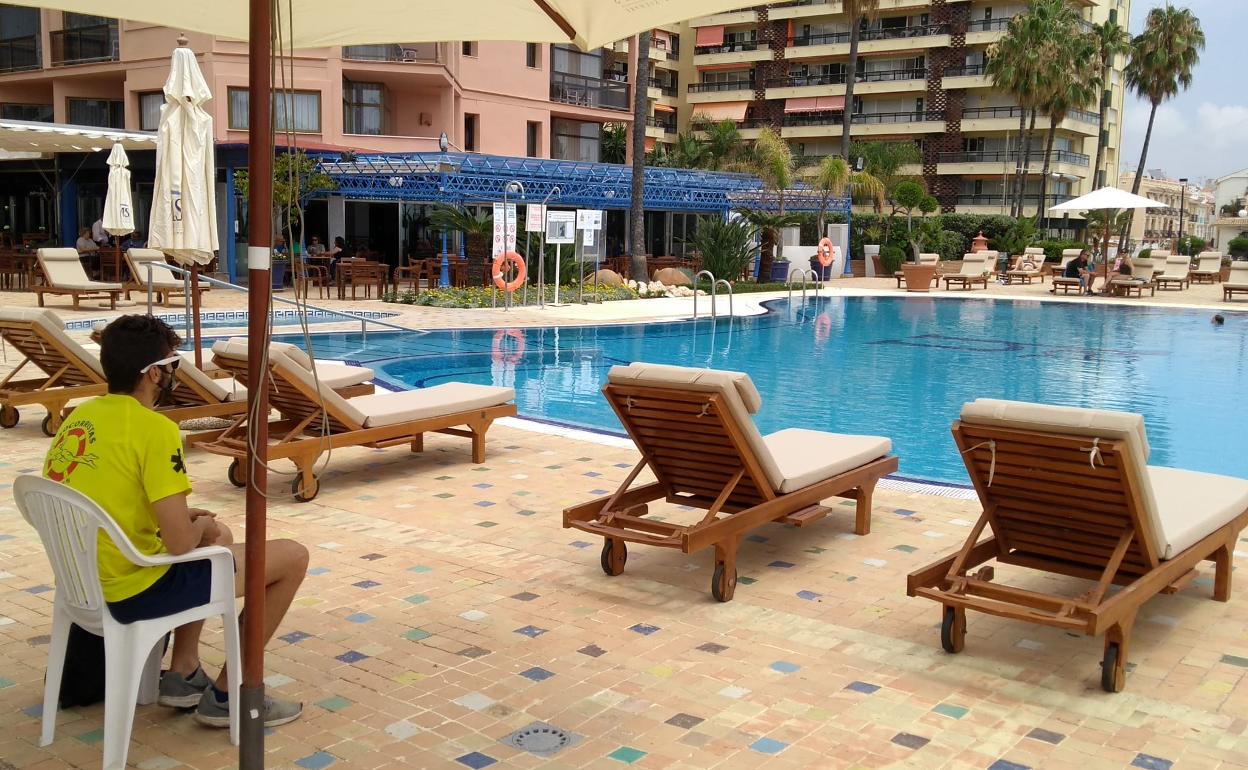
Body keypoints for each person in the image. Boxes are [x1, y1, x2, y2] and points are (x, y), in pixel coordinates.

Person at [43, 315, 307, 728]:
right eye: (172, 365)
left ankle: (183, 671)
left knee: (219, 535)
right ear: (154, 373)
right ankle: (229, 695)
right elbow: (180, 545)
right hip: (133, 589)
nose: (173, 374)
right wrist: (197, 526)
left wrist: (194, 525)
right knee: (292, 556)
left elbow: (107, 492)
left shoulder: (80, 417)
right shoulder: (155, 430)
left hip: (84, 581)